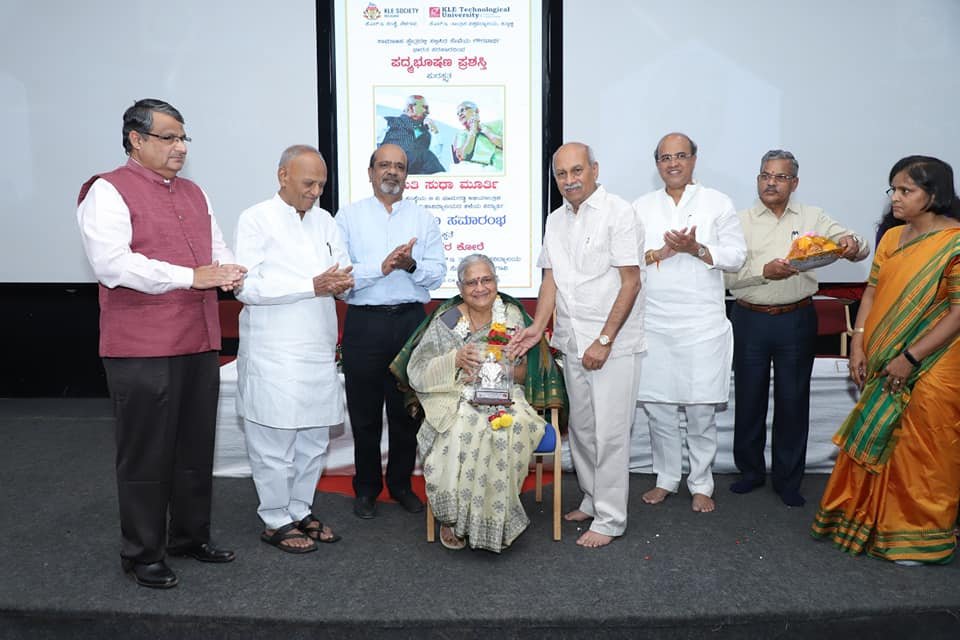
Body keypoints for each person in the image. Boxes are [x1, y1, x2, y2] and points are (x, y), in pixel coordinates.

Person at [76, 99, 245, 588]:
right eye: (169, 138)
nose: (180, 147)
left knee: (195, 447)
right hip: (140, 347)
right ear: (136, 139)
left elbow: (216, 247)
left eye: (184, 138)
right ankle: (142, 552)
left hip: (198, 338)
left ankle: (190, 538)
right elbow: (113, 265)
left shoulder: (194, 192)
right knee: (146, 454)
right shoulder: (106, 191)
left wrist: (230, 270)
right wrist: (191, 277)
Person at [811, 155, 960, 564]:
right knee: (881, 440)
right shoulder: (893, 239)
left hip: (937, 362)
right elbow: (872, 293)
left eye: (905, 190)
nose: (895, 198)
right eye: (892, 189)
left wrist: (910, 358)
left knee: (922, 446)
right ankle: (875, 524)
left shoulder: (956, 244)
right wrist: (858, 343)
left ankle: (917, 535)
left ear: (934, 195)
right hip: (884, 359)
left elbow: (958, 314)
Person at [508, 142, 644, 548]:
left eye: (577, 171)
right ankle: (591, 496)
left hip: (612, 345)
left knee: (611, 434)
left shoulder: (620, 213)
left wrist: (605, 340)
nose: (569, 180)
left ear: (595, 170)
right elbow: (552, 278)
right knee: (583, 431)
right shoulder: (555, 220)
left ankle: (611, 518)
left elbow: (631, 282)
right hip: (571, 341)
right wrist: (537, 327)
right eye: (562, 174)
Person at [390, 254, 567, 552]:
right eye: (471, 282)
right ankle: (454, 518)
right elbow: (417, 370)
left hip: (508, 398)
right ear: (460, 288)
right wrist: (454, 360)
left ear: (496, 282)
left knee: (509, 429)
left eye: (487, 280)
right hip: (456, 397)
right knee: (462, 428)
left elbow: (531, 371)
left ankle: (490, 520)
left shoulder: (512, 316)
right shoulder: (446, 320)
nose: (480, 287)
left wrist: (507, 371)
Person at [726, 150, 869, 507]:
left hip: (796, 318)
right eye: (764, 175)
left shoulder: (813, 216)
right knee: (749, 398)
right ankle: (750, 471)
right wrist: (764, 273)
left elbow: (855, 245)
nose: (770, 182)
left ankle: (788, 480)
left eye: (779, 177)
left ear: (794, 183)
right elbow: (728, 278)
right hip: (749, 318)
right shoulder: (738, 220)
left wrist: (853, 246)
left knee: (793, 399)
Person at [234, 145, 353, 553]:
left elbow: (342, 266)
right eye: (308, 183)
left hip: (318, 347)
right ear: (282, 175)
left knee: (314, 440)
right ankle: (274, 518)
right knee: (274, 442)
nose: (316, 191)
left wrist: (343, 281)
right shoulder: (255, 219)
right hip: (274, 350)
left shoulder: (326, 222)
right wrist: (310, 286)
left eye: (321, 183)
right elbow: (246, 286)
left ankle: (300, 508)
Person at [632, 133, 746, 513]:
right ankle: (666, 479)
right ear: (657, 164)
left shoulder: (718, 203)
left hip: (701, 322)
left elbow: (736, 256)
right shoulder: (641, 207)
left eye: (681, 156)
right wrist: (660, 252)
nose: (673, 163)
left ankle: (701, 482)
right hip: (656, 320)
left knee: (700, 409)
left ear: (695, 159)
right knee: (659, 407)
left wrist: (695, 249)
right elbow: (627, 258)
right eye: (665, 157)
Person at [336, 143, 446, 519]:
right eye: (384, 165)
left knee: (406, 414)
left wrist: (411, 265)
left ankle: (400, 485)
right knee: (364, 414)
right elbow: (341, 278)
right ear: (370, 172)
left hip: (409, 323)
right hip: (364, 325)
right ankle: (366, 488)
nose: (392, 172)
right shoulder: (347, 218)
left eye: (399, 167)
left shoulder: (423, 219)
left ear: (407, 176)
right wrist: (381, 268)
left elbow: (438, 275)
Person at [381, 94, 445, 175]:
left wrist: (435, 132)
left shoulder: (425, 133)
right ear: (411, 108)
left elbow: (435, 158)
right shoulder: (388, 122)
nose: (428, 112)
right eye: (424, 107)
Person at [452, 101, 503, 171]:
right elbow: (463, 155)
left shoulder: (497, 124)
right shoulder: (461, 134)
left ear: (476, 110)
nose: (460, 114)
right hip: (477, 170)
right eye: (458, 114)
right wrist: (473, 130)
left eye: (463, 110)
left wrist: (484, 130)